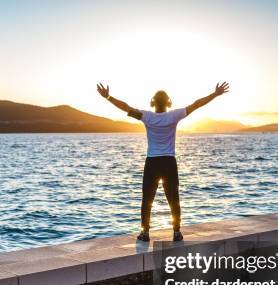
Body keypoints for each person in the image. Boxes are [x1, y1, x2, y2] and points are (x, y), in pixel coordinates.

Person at [97, 82, 230, 241]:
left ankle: (145, 233)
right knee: (173, 198)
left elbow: (125, 107)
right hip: (169, 162)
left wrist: (108, 97)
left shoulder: (147, 116)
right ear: (168, 102)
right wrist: (215, 94)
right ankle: (176, 232)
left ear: (153, 102)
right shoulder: (174, 115)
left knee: (147, 199)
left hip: (152, 162)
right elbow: (196, 105)